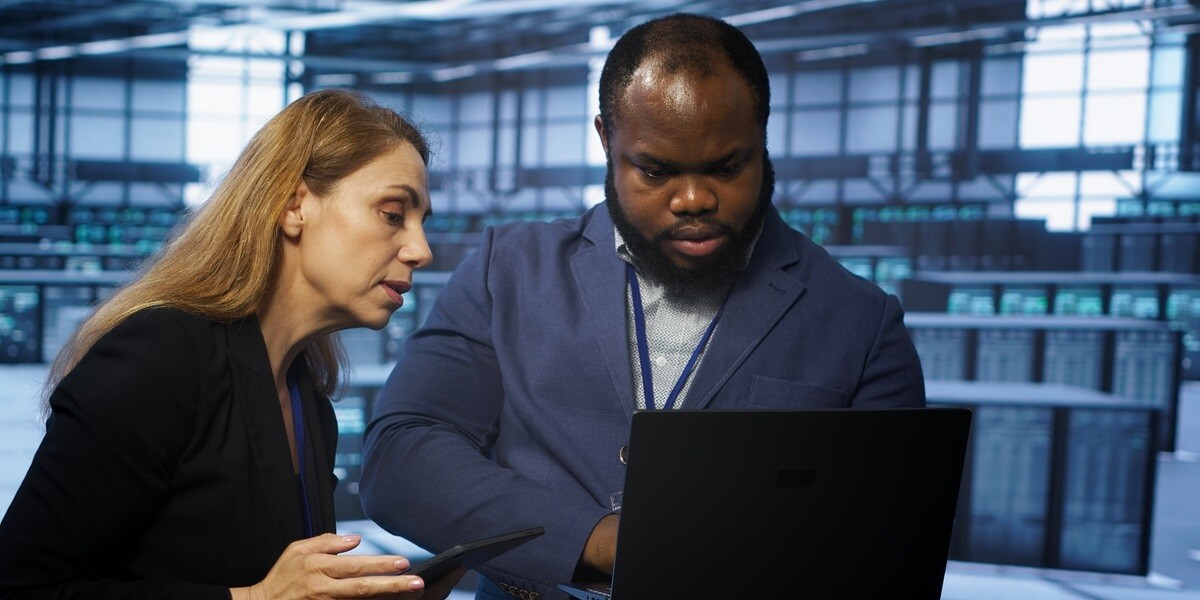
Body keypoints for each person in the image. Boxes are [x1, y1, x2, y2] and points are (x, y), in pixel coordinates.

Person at [360, 13, 925, 600]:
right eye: (655, 171)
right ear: (607, 140)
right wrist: (598, 538)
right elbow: (402, 455)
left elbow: (889, 551)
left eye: (727, 167)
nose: (694, 199)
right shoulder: (508, 269)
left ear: (762, 133)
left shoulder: (861, 323)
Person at [0, 88, 464, 599]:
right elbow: (21, 586)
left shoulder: (307, 398)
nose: (420, 250)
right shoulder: (160, 354)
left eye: (424, 223)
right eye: (393, 214)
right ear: (294, 204)